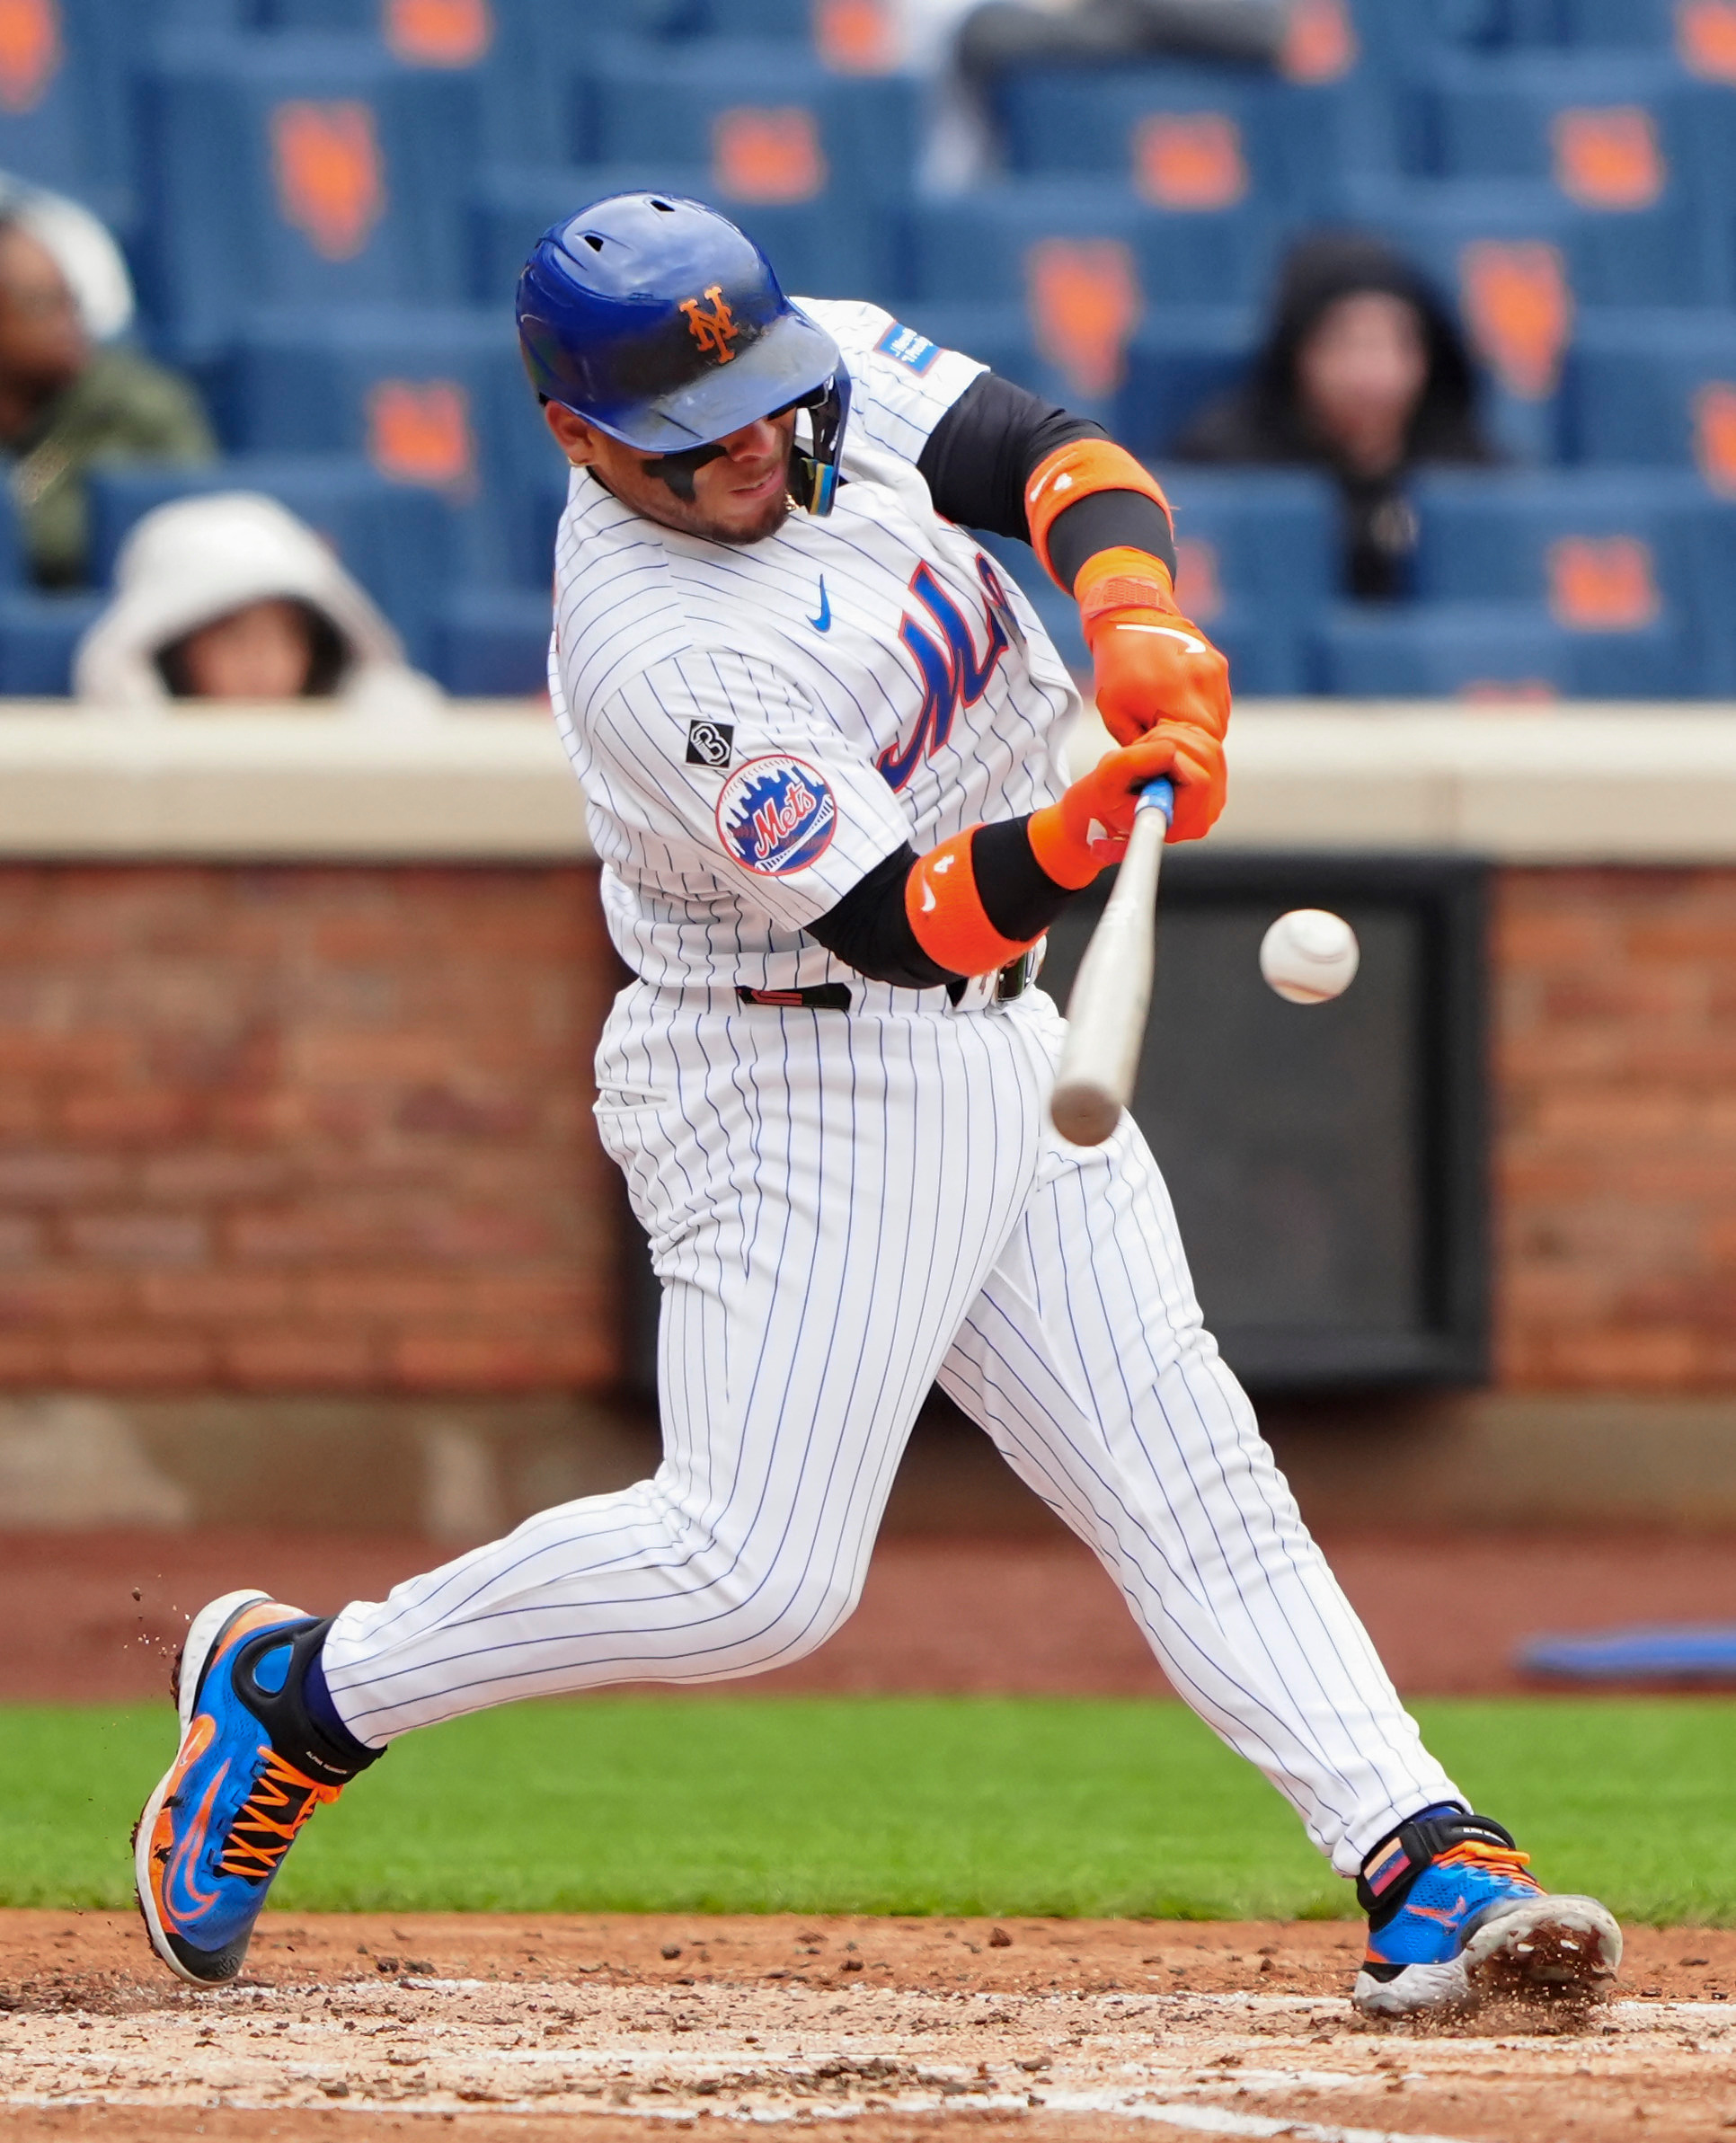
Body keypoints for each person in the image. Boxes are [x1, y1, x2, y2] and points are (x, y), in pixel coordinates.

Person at [133, 193, 1618, 2022]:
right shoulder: (660, 654)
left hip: (996, 1039)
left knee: (1188, 1462)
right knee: (753, 1577)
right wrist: (1086, 821)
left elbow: (1047, 452)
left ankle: (1419, 1848)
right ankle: (303, 1693)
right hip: (793, 1065)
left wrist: (1132, 615)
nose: (754, 444)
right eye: (695, 439)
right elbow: (903, 921)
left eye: (763, 400)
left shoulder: (789, 360)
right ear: (582, 441)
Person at [1174, 230, 1500, 599]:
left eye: (1398, 344)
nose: (1374, 373)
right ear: (1297, 355)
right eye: (1345, 343)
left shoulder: (1474, 473)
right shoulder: (1225, 465)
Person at [73, 491, 442, 715]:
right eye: (234, 637)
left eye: (287, 638)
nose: (263, 661)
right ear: (172, 651)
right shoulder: (129, 777)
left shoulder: (362, 740)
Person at [0, 215, 214, 587]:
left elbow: (172, 528)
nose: (67, 321)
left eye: (71, 300)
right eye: (40, 303)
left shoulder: (133, 406)